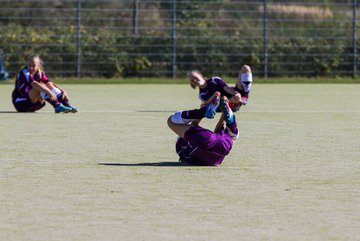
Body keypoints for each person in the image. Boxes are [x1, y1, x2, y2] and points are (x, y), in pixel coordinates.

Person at [167, 92, 239, 166]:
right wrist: (203, 110)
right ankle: (229, 116)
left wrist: (204, 110)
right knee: (171, 121)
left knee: (233, 137)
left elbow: (195, 128)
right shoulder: (182, 142)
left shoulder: (180, 147)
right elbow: (216, 134)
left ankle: (205, 111)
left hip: (217, 149)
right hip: (223, 144)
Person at [11, 55, 78, 113]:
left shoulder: (40, 73)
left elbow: (49, 83)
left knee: (46, 84)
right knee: (40, 85)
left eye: (34, 66)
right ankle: (57, 106)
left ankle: (66, 104)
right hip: (20, 103)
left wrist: (62, 90)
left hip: (34, 105)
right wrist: (48, 92)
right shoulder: (24, 72)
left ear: (38, 65)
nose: (31, 68)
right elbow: (34, 84)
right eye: (29, 65)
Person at [188, 65, 253, 112]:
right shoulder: (201, 96)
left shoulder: (215, 80)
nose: (194, 80)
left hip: (235, 97)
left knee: (246, 68)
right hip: (228, 106)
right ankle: (240, 99)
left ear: (200, 75)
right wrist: (230, 100)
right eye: (192, 81)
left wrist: (236, 94)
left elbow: (228, 89)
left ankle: (244, 96)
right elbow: (216, 106)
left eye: (195, 77)